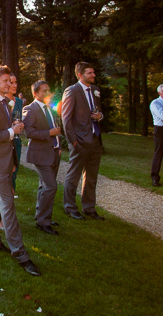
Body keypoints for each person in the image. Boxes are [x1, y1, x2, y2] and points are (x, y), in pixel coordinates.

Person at [0, 65, 40, 276]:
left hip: (4, 160)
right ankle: (21, 255)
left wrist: (12, 128)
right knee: (8, 205)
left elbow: (2, 130)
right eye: (5, 80)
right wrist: (11, 131)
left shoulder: (3, 101)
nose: (10, 83)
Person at [61, 61, 105, 221]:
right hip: (79, 141)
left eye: (93, 72)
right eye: (90, 73)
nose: (93, 75)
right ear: (80, 75)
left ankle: (89, 208)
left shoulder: (95, 90)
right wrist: (73, 142)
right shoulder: (72, 91)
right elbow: (66, 120)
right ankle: (70, 207)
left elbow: (97, 112)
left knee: (92, 177)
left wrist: (100, 116)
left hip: (95, 139)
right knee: (73, 176)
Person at [22, 80, 62, 235]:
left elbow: (55, 128)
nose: (47, 93)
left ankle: (42, 216)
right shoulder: (30, 109)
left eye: (48, 90)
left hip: (53, 152)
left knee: (44, 186)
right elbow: (29, 133)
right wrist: (49, 134)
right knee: (51, 186)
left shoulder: (49, 108)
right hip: (40, 154)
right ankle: (43, 222)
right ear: (35, 93)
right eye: (44, 91)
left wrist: (58, 147)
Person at [5, 74, 24, 191]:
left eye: (16, 82)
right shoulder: (1, 101)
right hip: (5, 138)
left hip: (17, 138)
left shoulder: (19, 102)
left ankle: (13, 188)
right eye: (11, 82)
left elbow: (20, 117)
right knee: (7, 168)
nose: (14, 85)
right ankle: (7, 191)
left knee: (15, 166)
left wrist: (21, 124)